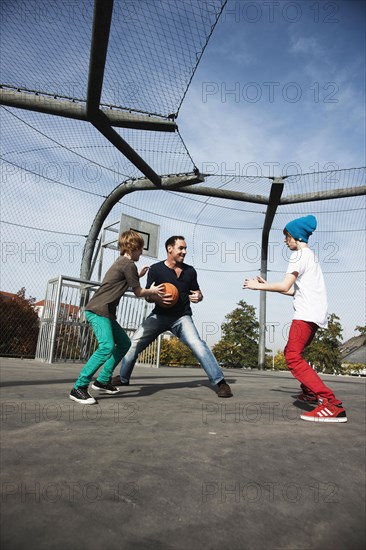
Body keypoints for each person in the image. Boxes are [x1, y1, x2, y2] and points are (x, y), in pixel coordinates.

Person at [243, 215, 347, 423]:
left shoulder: (299, 256)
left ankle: (330, 403)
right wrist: (268, 283)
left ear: (296, 236)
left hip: (305, 315)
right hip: (314, 315)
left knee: (292, 356)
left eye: (287, 236)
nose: (285, 240)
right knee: (296, 354)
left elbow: (284, 286)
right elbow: (293, 290)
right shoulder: (310, 256)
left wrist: (258, 286)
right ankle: (309, 392)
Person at [111, 236, 233, 398]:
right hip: (159, 315)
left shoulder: (190, 271)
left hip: (182, 317)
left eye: (185, 248)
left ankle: (221, 383)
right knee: (133, 344)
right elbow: (147, 295)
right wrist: (155, 297)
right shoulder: (156, 269)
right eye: (181, 248)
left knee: (198, 344)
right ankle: (124, 378)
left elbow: (197, 292)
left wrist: (199, 296)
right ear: (170, 249)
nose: (184, 252)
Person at [69, 230, 165, 405]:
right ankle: (79, 387)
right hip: (98, 310)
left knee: (124, 343)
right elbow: (138, 292)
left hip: (105, 312)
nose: (141, 252)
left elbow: (124, 280)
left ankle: (102, 380)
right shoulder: (128, 265)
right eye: (140, 249)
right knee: (106, 347)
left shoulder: (122, 263)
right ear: (133, 247)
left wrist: (138, 276)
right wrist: (153, 290)